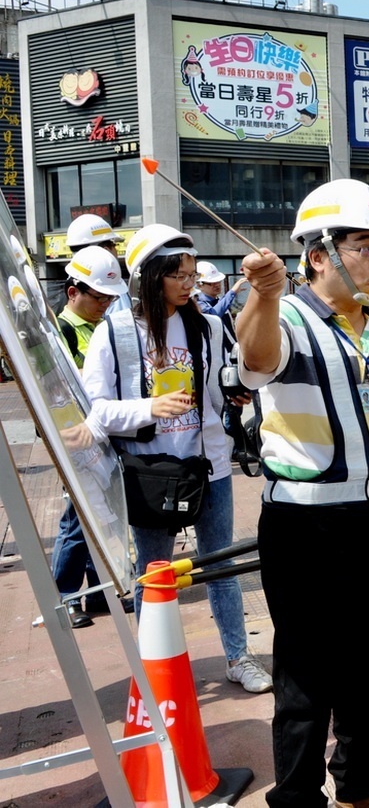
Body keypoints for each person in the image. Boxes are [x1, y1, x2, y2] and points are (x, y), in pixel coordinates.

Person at [237, 178, 369, 808]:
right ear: (319, 255)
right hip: (306, 525)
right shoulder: (288, 317)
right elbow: (256, 361)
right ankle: (296, 798)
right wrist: (263, 297)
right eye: (365, 247)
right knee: (306, 670)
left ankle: (365, 781)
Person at [82, 223, 271, 693]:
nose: (189, 284)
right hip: (151, 472)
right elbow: (97, 409)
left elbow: (221, 385)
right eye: (179, 276)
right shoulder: (117, 333)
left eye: (191, 274)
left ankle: (238, 657)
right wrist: (150, 407)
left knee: (220, 566)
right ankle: (156, 666)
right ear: (149, 276)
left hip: (209, 467)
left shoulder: (205, 325)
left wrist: (236, 393)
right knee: (155, 573)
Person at [51, 246, 130, 627]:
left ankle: (99, 592)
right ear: (73, 293)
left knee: (106, 516)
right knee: (77, 520)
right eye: (98, 297)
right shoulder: (59, 333)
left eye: (109, 298)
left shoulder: (103, 329)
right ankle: (65, 596)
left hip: (103, 437)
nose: (104, 304)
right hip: (76, 441)